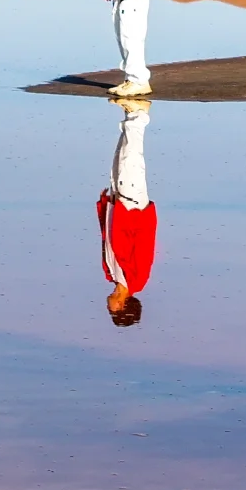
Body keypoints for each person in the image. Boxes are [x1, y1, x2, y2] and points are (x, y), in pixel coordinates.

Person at [97, 99, 157, 326]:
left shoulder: (112, 274)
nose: (108, 308)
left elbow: (108, 239)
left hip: (118, 206)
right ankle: (139, 115)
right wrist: (133, 211)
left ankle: (130, 115)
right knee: (132, 161)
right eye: (113, 312)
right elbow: (144, 244)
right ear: (122, 306)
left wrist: (107, 206)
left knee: (119, 159)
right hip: (132, 209)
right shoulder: (137, 279)